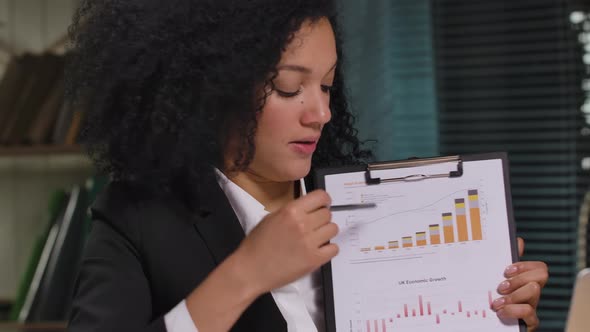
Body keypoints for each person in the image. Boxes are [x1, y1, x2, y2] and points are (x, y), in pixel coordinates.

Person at [66, 1, 548, 331]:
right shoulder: (136, 221)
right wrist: (246, 273)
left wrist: (497, 313)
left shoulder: (371, 208)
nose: (321, 114)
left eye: (327, 85)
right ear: (212, 90)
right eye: (289, 88)